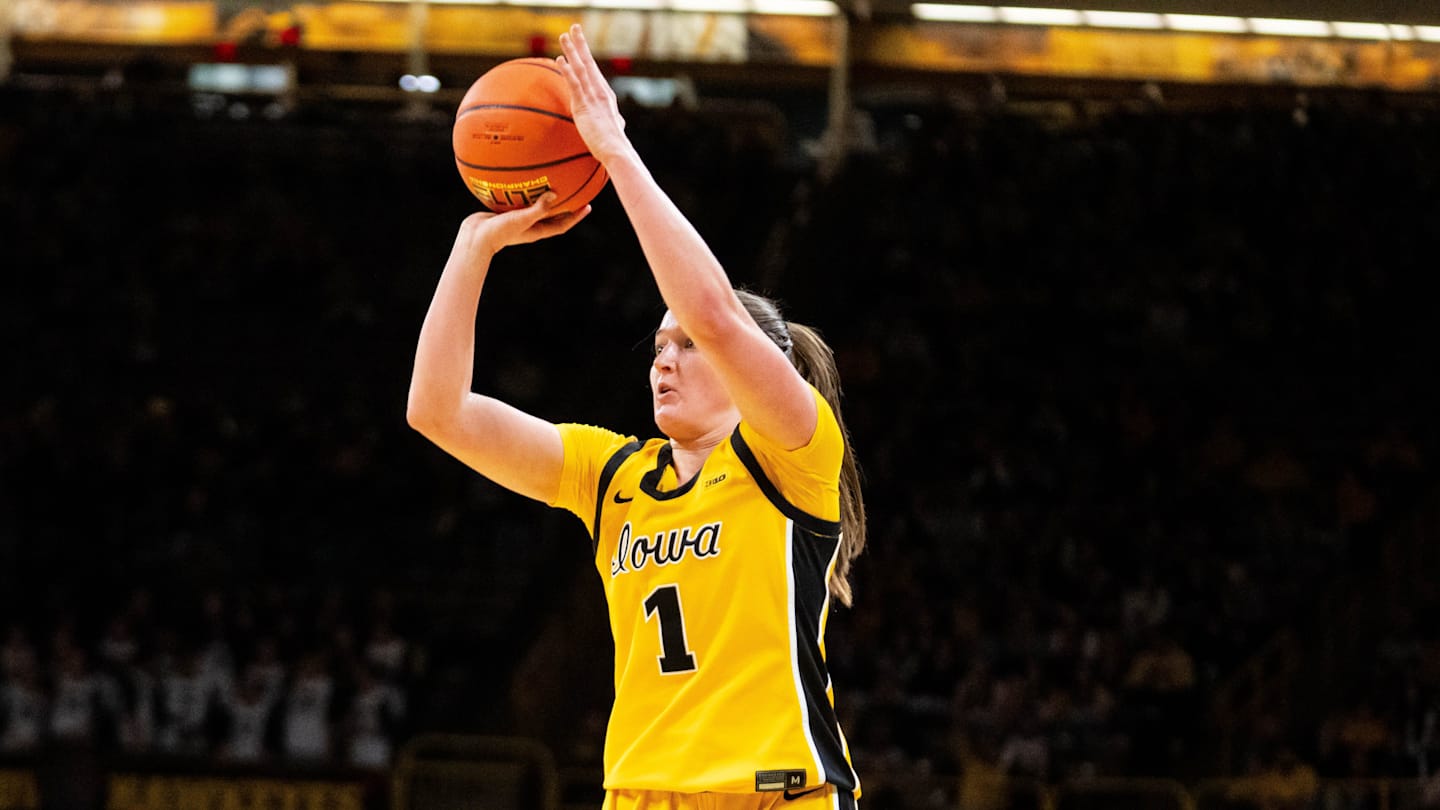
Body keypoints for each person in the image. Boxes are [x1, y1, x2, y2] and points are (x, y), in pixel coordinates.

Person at [407, 23, 867, 810]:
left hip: (774, 794)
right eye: (658, 345)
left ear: (760, 368)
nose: (664, 359)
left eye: (686, 346)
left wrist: (615, 152)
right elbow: (437, 410)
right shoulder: (612, 474)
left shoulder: (794, 452)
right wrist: (472, 248)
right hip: (640, 794)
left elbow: (716, 313)